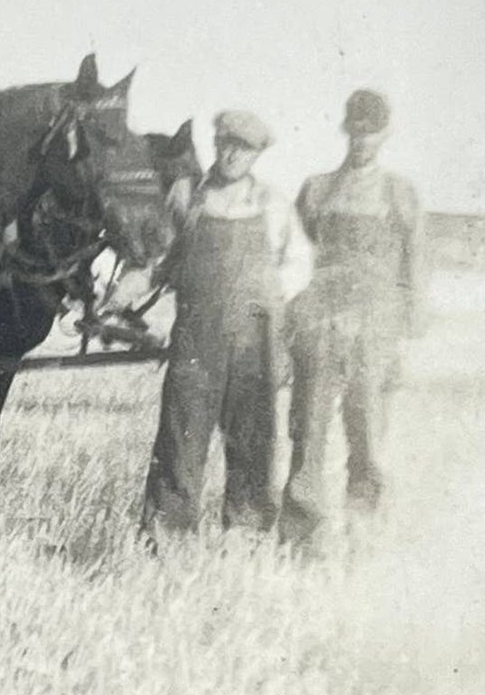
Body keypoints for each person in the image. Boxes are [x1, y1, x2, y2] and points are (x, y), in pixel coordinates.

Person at [139, 109, 301, 551]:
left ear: (256, 155)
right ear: (216, 144)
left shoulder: (272, 204)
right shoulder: (187, 197)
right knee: (180, 436)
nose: (231, 155)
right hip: (196, 338)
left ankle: (244, 536)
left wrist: (270, 302)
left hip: (254, 340)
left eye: (242, 149)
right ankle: (168, 538)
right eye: (226, 144)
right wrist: (119, 299)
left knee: (252, 437)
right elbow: (156, 261)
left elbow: (297, 266)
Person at [279, 88, 424, 550]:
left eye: (372, 134)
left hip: (374, 323)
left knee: (366, 428)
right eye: (356, 132)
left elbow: (414, 263)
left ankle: (362, 530)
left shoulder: (400, 192)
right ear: (346, 131)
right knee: (309, 425)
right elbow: (297, 255)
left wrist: (405, 323)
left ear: (386, 135)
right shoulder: (317, 188)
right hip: (321, 319)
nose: (363, 142)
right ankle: (303, 535)